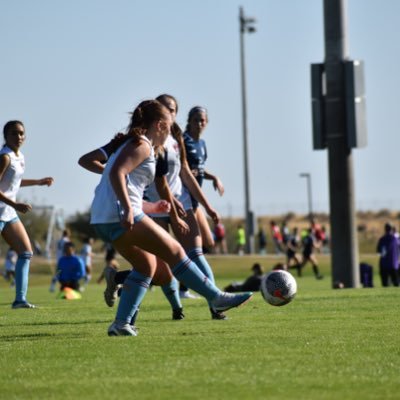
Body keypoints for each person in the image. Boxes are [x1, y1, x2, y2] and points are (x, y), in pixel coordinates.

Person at [81, 100, 252, 336]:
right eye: (170, 127)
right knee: (175, 251)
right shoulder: (141, 145)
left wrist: (153, 207)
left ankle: (120, 325)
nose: (172, 133)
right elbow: (118, 173)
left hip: (103, 219)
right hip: (118, 214)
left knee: (146, 266)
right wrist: (128, 209)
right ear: (161, 125)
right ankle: (216, 297)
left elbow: (126, 180)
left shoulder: (139, 145)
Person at [0, 120, 54, 308]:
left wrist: (38, 182)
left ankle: (20, 300)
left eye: (21, 133)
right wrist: (15, 203)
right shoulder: (4, 157)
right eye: (14, 133)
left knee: (26, 252)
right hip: (3, 210)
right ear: (5, 136)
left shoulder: (19, 156)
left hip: (7, 213)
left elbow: (14, 182)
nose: (19, 137)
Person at [183, 106, 224, 251]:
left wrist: (213, 177)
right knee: (194, 246)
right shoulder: (183, 141)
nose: (199, 124)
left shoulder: (202, 144)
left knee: (209, 241)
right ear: (189, 121)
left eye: (202, 120)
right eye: (196, 120)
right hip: (183, 198)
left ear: (206, 122)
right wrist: (187, 172)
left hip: (195, 200)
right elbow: (178, 168)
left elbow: (200, 169)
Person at [376, 223, 399, 287]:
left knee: (385, 284)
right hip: (394, 264)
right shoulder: (395, 239)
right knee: (396, 284)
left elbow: (378, 252)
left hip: (384, 264)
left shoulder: (382, 239)